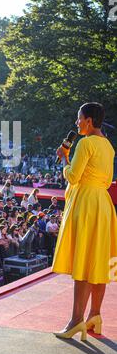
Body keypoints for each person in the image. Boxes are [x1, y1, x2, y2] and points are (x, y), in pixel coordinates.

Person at [52, 102, 117, 341]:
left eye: (79, 118)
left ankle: (76, 320)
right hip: (104, 203)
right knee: (99, 261)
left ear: (89, 120)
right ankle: (95, 316)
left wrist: (64, 159)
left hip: (86, 203)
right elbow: (108, 180)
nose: (76, 123)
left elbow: (73, 176)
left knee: (83, 261)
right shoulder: (108, 146)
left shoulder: (86, 143)